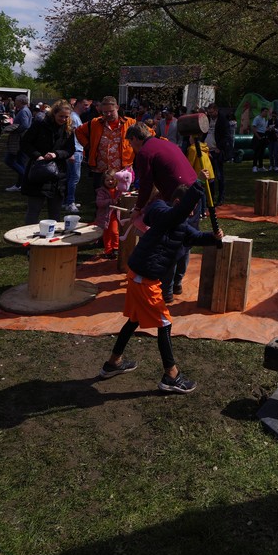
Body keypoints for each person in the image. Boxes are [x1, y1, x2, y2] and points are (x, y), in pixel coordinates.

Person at [98, 177, 223, 394]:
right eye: (191, 207)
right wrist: (199, 185)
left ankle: (113, 363)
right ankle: (171, 376)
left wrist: (214, 237)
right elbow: (174, 214)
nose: (193, 212)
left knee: (134, 320)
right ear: (178, 203)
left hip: (142, 277)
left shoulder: (180, 223)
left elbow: (195, 236)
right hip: (143, 279)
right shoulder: (162, 211)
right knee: (164, 323)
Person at [20, 100, 76, 225]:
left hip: (58, 175)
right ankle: (28, 236)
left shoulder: (68, 130)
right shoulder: (40, 125)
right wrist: (37, 156)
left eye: (66, 117)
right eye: (61, 116)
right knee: (34, 210)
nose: (63, 119)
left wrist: (57, 154)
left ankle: (52, 236)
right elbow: (25, 143)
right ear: (54, 113)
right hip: (38, 172)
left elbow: (70, 149)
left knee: (55, 213)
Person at [74, 96, 136, 195]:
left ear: (117, 108)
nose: (108, 114)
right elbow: (78, 131)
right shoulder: (95, 122)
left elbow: (148, 134)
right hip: (100, 170)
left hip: (122, 171)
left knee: (122, 198)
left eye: (111, 111)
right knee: (100, 198)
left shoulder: (130, 123)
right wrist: (88, 146)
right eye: (105, 112)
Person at [95, 168, 134, 259]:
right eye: (107, 180)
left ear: (116, 180)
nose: (110, 182)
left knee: (114, 232)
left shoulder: (118, 190)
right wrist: (111, 201)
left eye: (112, 179)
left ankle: (115, 248)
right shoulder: (101, 191)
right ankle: (108, 250)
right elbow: (99, 203)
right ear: (103, 181)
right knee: (106, 234)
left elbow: (124, 195)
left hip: (115, 216)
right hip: (104, 216)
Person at [64, 97, 89, 214]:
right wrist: (71, 153)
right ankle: (70, 202)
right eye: (85, 104)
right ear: (78, 104)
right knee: (74, 178)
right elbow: (69, 136)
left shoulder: (75, 117)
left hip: (76, 150)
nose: (87, 107)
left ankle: (67, 200)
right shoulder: (73, 117)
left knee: (70, 177)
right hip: (75, 151)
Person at [3, 94, 33, 192]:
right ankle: (20, 184)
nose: (15, 102)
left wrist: (14, 130)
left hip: (20, 140)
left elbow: (25, 125)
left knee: (9, 160)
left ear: (20, 101)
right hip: (23, 139)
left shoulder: (23, 111)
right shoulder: (26, 110)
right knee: (21, 161)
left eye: (16, 100)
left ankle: (25, 178)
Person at [205, 103, 231, 204]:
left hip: (216, 151)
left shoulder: (222, 120)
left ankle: (221, 197)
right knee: (209, 176)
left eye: (212, 112)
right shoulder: (207, 119)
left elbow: (227, 136)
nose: (210, 114)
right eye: (209, 112)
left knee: (219, 175)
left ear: (216, 110)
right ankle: (210, 197)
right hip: (207, 150)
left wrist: (220, 148)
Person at [251, 106, 269, 172]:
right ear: (262, 112)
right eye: (265, 112)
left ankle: (261, 166)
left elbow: (263, 128)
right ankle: (254, 166)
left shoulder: (264, 119)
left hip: (263, 135)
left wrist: (268, 129)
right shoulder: (257, 118)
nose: (266, 113)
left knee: (262, 152)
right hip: (258, 135)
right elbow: (253, 128)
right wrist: (258, 137)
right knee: (256, 152)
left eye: (267, 112)